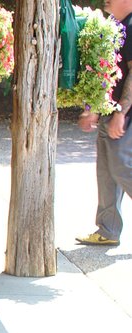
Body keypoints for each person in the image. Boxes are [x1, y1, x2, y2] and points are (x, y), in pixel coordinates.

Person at [76, 0, 132, 245]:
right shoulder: (114, 26)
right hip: (112, 111)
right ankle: (107, 230)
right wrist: (94, 110)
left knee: (120, 165)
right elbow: (107, 73)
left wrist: (120, 111)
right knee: (106, 172)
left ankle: (108, 228)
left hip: (125, 112)